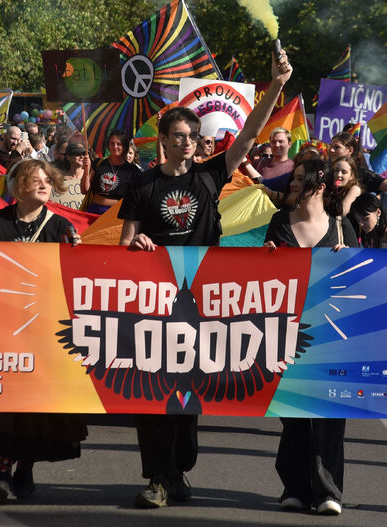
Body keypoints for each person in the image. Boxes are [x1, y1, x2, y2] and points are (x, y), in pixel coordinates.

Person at [119, 44, 292, 509]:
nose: (185, 142)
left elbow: (250, 134)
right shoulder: (142, 184)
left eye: (191, 136)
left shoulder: (212, 176)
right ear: (163, 139)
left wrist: (276, 84)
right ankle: (157, 477)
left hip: (201, 304)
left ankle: (178, 468)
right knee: (153, 396)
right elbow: (124, 244)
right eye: (177, 136)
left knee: (188, 397)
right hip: (153, 304)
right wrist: (137, 246)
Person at [0, 159, 86, 502]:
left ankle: (26, 468)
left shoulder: (60, 225)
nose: (44, 185)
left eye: (48, 180)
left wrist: (77, 253)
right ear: (19, 187)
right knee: (4, 403)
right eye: (36, 180)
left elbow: (76, 272)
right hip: (3, 329)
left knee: (36, 407)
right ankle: (2, 472)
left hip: (44, 331)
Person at [265, 159, 355, 516]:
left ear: (320, 185)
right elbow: (260, 278)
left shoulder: (341, 226)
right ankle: (295, 487)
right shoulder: (279, 222)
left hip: (332, 335)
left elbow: (361, 278)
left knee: (330, 415)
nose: (295, 184)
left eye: (303, 179)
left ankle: (328, 491)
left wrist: (348, 259)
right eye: (295, 178)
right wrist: (267, 259)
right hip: (287, 333)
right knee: (294, 414)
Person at [84, 130, 142, 215]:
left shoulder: (133, 171)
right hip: (94, 211)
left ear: (125, 146)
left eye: (119, 144)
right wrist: (86, 168)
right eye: (112, 143)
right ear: (108, 145)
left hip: (116, 215)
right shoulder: (98, 163)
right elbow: (84, 190)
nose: (115, 146)